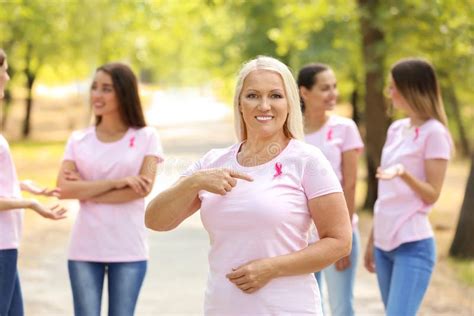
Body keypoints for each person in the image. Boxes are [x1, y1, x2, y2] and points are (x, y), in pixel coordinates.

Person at [145, 56, 352, 315]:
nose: (264, 105)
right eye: (253, 95)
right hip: (222, 307)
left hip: (287, 308)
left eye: (275, 96)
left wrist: (271, 268)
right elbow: (155, 219)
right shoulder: (213, 161)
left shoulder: (307, 160)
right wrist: (193, 182)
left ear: (289, 103)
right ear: (239, 104)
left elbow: (339, 242)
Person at [57, 62, 164, 316]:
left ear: (124, 93)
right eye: (94, 87)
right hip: (84, 248)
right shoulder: (78, 140)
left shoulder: (146, 137)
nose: (96, 94)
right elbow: (63, 189)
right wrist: (116, 182)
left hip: (128, 248)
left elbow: (140, 189)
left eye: (106, 88)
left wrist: (85, 188)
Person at [364, 58, 452, 316]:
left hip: (412, 244)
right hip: (383, 243)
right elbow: (385, 196)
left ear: (411, 90)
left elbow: (433, 194)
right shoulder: (396, 129)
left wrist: (404, 174)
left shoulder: (435, 133)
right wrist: (372, 240)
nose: (388, 93)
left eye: (393, 87)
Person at [0, 48, 67, 316]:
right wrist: (29, 203)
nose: (7, 75)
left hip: (7, 244)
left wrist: (22, 184)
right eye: (3, 69)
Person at [298, 63, 364, 316]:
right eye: (325, 88)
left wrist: (343, 238)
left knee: (341, 307)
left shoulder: (345, 128)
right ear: (304, 92)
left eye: (334, 87)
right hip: (301, 237)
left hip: (337, 231)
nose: (333, 93)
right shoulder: (291, 133)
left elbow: (350, 183)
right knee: (307, 307)